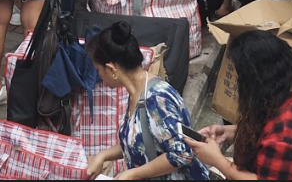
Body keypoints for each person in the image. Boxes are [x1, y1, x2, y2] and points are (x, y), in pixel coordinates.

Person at [187, 31, 292, 180]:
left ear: (256, 80)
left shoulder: (283, 138)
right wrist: (230, 132)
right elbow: (268, 132)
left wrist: (217, 160)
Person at [85, 21, 209, 180]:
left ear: (111, 69)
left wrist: (133, 174)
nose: (99, 76)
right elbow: (139, 142)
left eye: (98, 70)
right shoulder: (136, 93)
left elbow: (182, 153)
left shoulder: (157, 98)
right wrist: (102, 156)